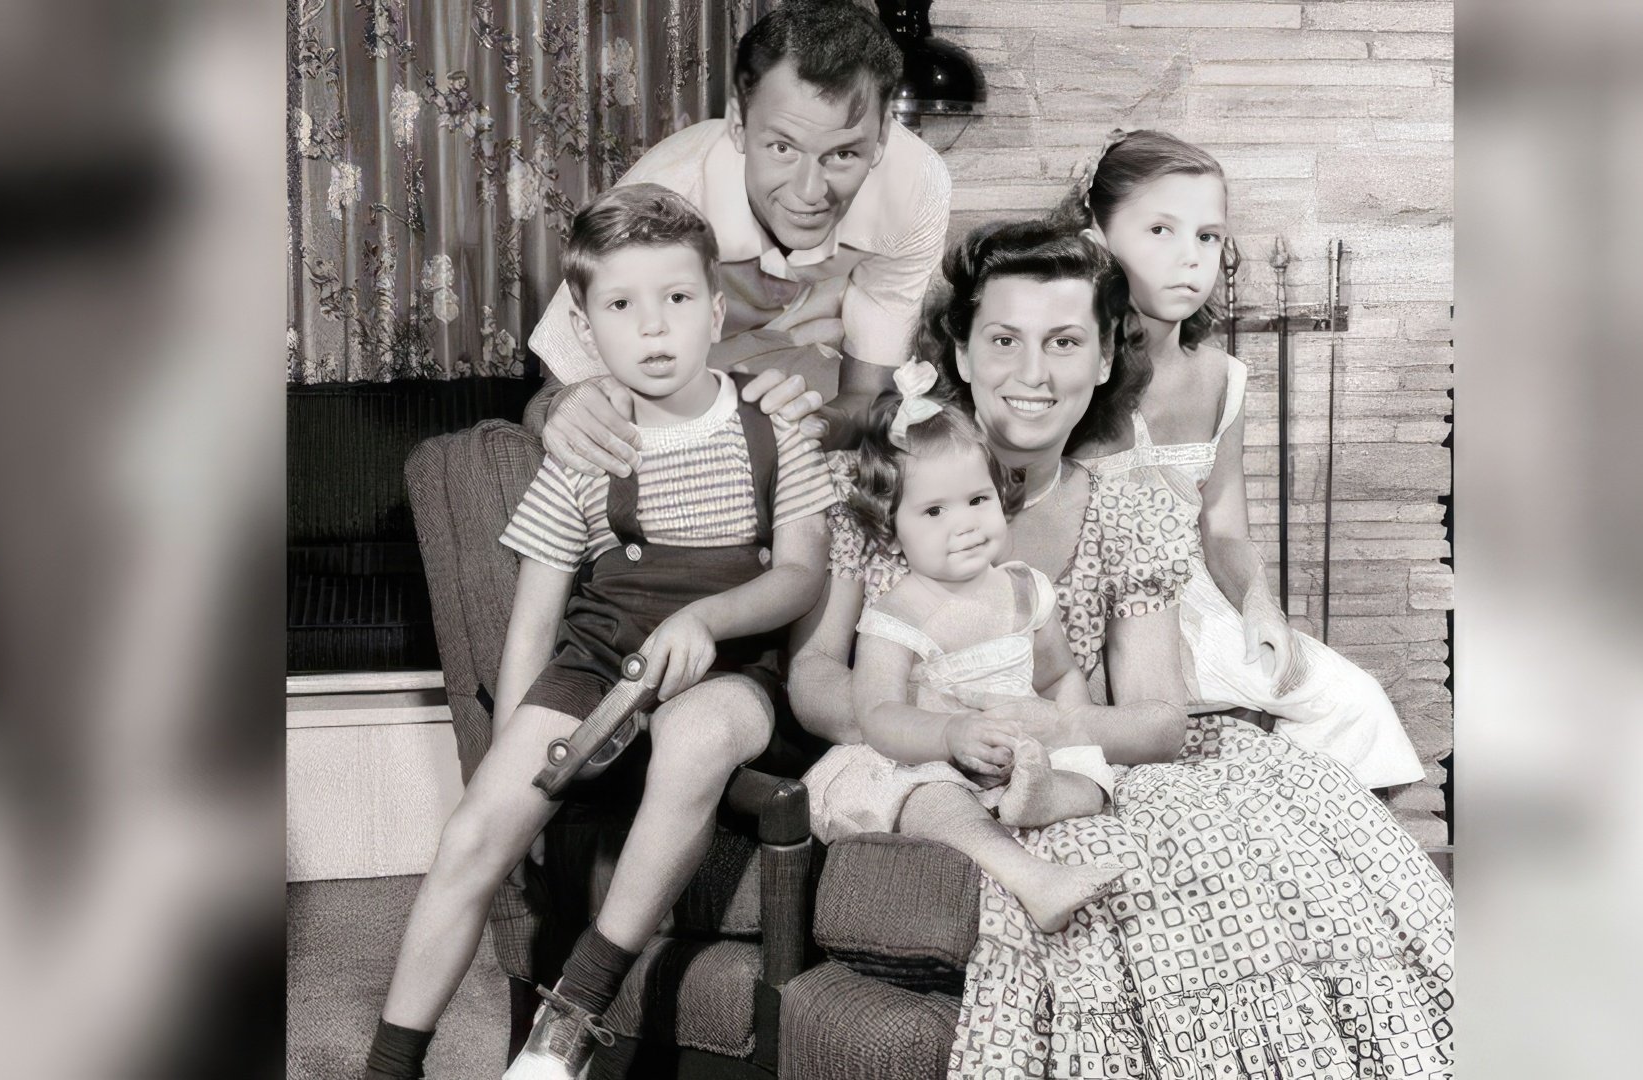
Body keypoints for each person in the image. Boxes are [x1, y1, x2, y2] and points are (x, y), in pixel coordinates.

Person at [787, 218, 1453, 1077]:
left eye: (1064, 342)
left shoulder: (1129, 513)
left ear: (1104, 358)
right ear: (957, 350)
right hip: (919, 765)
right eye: (1003, 340)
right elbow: (811, 675)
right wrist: (920, 726)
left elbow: (1155, 724)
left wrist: (1040, 727)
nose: (1032, 374)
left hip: (1079, 755)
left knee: (1249, 829)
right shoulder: (880, 488)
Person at [362, 186, 835, 1080]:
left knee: (696, 736)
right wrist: (510, 765)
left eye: (678, 299)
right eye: (621, 306)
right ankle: (388, 1066)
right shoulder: (582, 456)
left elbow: (799, 574)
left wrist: (705, 618)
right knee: (470, 838)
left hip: (736, 670)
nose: (653, 328)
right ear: (585, 327)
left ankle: (572, 1015)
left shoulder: (773, 436)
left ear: (715, 309)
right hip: (599, 664)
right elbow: (536, 620)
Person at [1063, 129, 1426, 789]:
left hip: (1192, 610)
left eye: (1206, 237)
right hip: (1087, 614)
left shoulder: (1221, 378)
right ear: (1097, 237)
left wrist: (1260, 609)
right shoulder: (1065, 367)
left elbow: (1224, 530)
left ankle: (1328, 863)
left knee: (1357, 707)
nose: (1188, 260)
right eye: (1158, 231)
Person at [527, 0, 952, 478]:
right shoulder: (666, 197)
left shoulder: (914, 187)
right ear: (738, 126)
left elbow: (866, 395)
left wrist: (815, 431)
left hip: (793, 370)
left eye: (843, 153)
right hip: (650, 383)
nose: (809, 192)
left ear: (881, 141)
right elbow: (560, 385)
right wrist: (566, 410)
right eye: (782, 147)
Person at [801, 359, 1127, 932]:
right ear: (890, 525)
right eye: (933, 511)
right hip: (930, 758)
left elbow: (1056, 677)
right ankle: (1032, 879)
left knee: (1096, 778)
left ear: (1000, 495)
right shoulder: (895, 613)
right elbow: (877, 716)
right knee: (930, 797)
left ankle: (1043, 798)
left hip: (1017, 754)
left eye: (977, 500)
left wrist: (1066, 721)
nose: (965, 524)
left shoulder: (1025, 589)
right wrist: (950, 736)